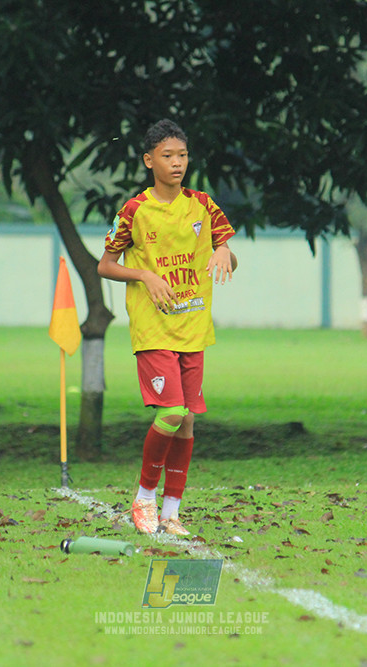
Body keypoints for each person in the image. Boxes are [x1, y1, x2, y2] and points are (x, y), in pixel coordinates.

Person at [97, 119, 237, 536]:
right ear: (148, 160)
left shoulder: (203, 205)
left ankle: (171, 512)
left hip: (193, 328)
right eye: (167, 156)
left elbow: (225, 248)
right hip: (153, 329)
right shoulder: (135, 210)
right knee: (172, 412)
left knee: (189, 420)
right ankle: (144, 499)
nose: (177, 164)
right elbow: (105, 264)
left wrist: (225, 252)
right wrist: (144, 275)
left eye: (182, 155)